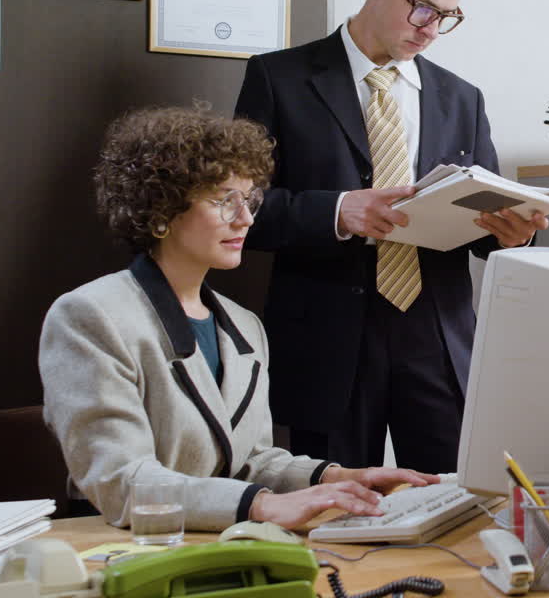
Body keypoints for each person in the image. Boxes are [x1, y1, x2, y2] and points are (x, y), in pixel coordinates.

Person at [233, 0, 547, 472]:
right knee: (333, 510)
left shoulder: (461, 99)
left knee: (459, 504)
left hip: (438, 334)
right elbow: (240, 210)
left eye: (448, 17)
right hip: (327, 335)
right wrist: (338, 210)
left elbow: (484, 219)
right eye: (423, 8)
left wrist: (509, 235)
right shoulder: (278, 78)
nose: (431, 31)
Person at [39, 106, 437, 531]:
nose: (246, 218)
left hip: (217, 541)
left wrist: (339, 477)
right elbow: (120, 482)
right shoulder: (88, 316)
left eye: (248, 200)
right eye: (223, 200)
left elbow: (251, 462)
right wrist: (263, 507)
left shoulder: (244, 325)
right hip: (123, 550)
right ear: (160, 210)